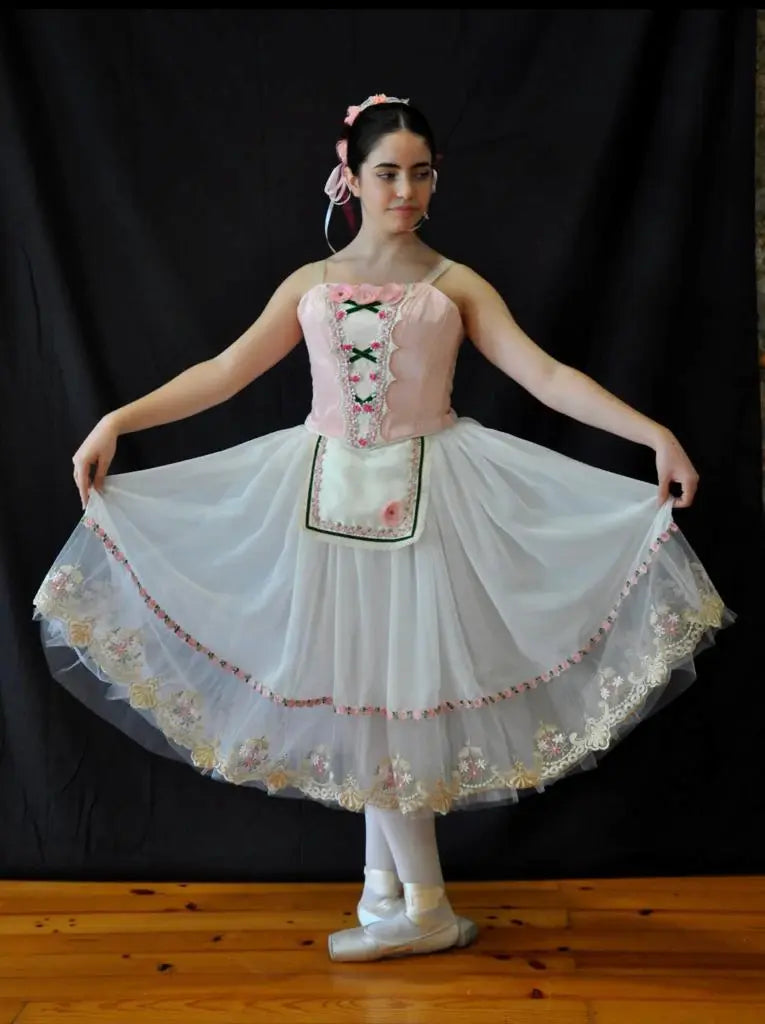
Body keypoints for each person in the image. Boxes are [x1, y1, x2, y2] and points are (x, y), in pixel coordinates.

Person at [34, 93, 733, 963]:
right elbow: (222, 371)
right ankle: (384, 890)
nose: (404, 189)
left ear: (436, 182)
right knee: (368, 696)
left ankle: (427, 907)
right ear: (351, 177)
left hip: (431, 508)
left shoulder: (455, 284)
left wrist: (652, 433)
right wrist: (118, 422)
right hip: (320, 507)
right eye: (387, 172)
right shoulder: (312, 285)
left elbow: (547, 374)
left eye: (420, 172)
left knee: (396, 699)